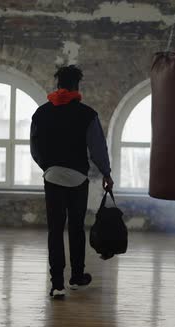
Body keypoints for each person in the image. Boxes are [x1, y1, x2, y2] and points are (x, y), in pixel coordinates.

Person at [30, 65, 113, 299]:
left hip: (52, 177)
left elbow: (35, 149)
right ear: (77, 86)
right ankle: (77, 277)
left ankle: (57, 284)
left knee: (55, 230)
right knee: (76, 228)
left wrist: (47, 168)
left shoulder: (41, 113)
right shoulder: (87, 114)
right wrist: (106, 173)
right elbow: (98, 149)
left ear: (58, 85)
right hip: (78, 178)